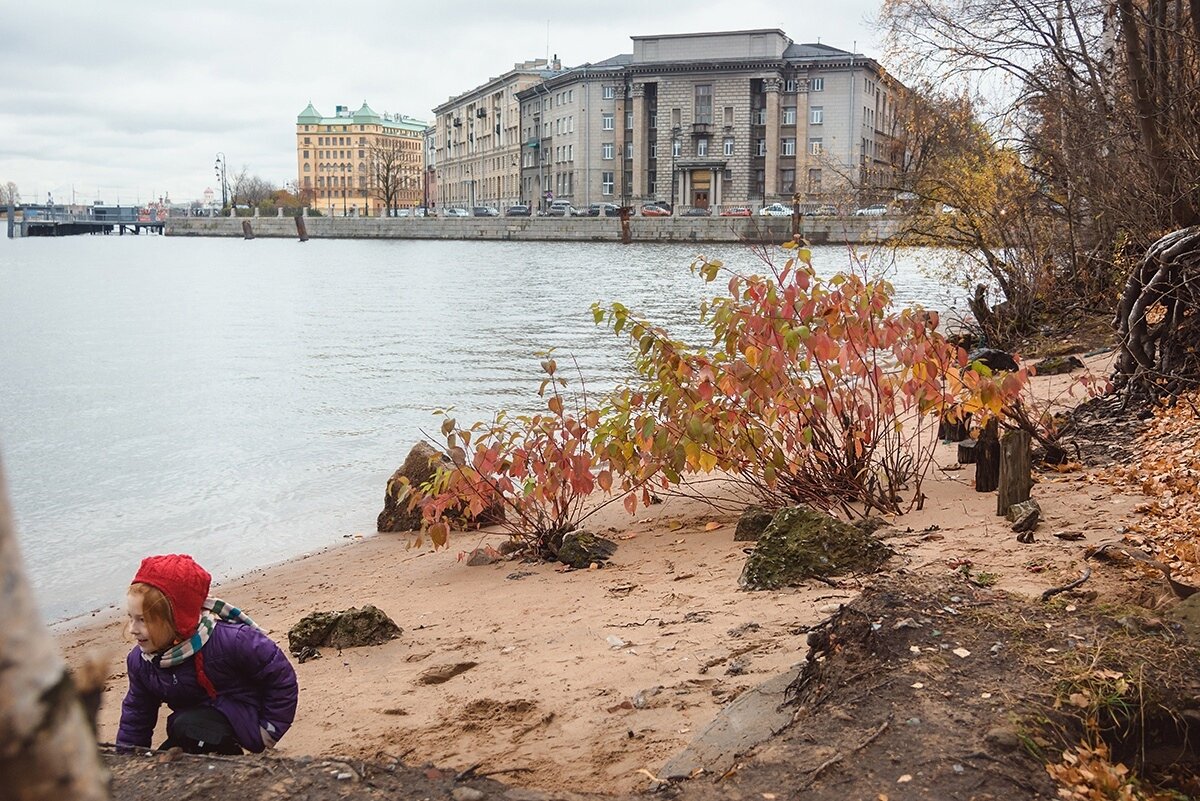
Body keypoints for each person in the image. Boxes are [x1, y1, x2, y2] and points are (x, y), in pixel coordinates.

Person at [116, 554, 298, 754]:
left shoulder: (233, 641)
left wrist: (269, 730)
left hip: (244, 719)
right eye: (131, 618)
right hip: (195, 725)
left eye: (143, 620)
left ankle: (233, 755)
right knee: (178, 737)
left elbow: (281, 679)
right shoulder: (142, 662)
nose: (133, 629)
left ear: (177, 619)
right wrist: (128, 758)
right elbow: (137, 713)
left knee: (186, 725)